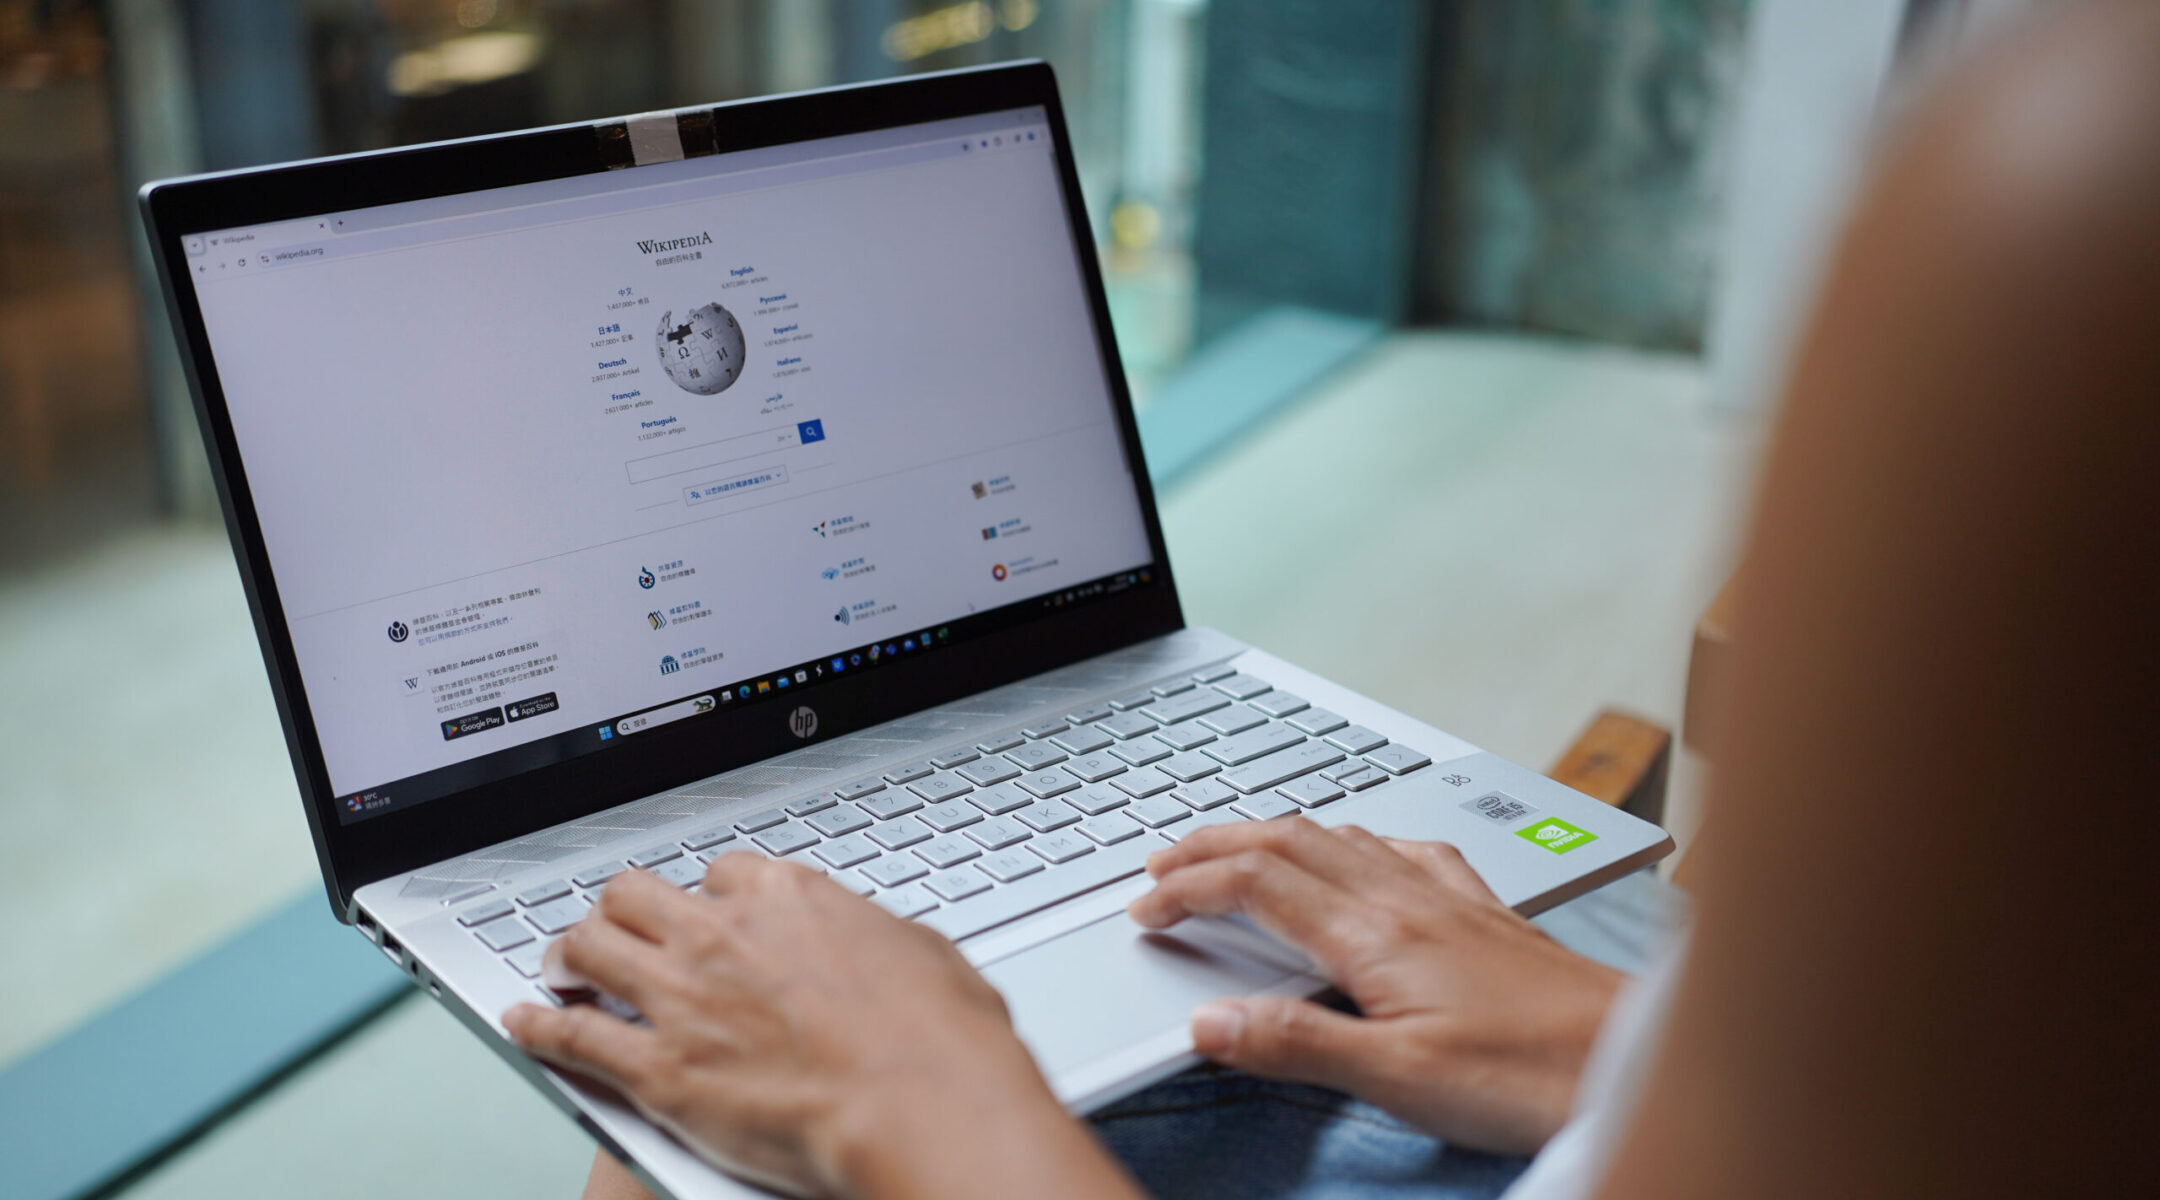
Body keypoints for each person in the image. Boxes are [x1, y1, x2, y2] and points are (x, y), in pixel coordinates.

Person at [502, 4, 2159, 1197]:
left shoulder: (2076, 186)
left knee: (660, 1156)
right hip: (1654, 1080)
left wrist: (918, 1104)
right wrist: (1617, 1039)